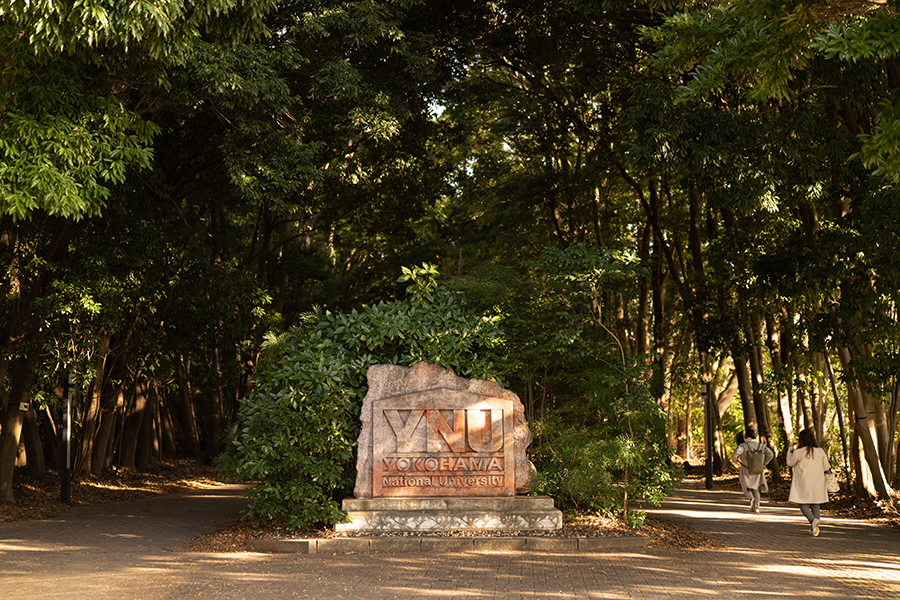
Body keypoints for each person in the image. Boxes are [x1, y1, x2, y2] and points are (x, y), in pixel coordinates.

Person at [786, 428, 831, 536]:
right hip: (818, 481)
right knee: (816, 505)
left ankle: (812, 521)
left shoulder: (798, 452)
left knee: (803, 505)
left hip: (803, 481)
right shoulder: (820, 451)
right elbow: (826, 467)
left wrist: (790, 449)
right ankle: (815, 527)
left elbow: (790, 463)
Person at [730, 426, 774, 513]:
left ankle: (751, 498)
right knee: (756, 488)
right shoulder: (760, 446)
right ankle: (756, 507)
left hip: (746, 469)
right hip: (758, 469)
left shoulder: (744, 445)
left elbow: (737, 453)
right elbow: (770, 454)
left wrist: (734, 460)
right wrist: (764, 462)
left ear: (746, 437)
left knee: (745, 486)